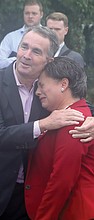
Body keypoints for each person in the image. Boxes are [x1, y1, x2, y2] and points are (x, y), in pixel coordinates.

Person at [0, 26, 86, 220]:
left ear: (48, 60)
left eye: (36, 51)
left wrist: (92, 120)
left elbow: (75, 101)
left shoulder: (48, 88)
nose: (26, 55)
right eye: (23, 47)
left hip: (28, 197)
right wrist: (43, 124)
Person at [25, 57, 94, 219]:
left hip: (73, 212)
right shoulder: (65, 116)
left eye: (41, 85)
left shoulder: (74, 120)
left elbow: (62, 179)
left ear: (63, 84)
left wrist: (43, 217)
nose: (37, 92)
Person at [0, 0, 43, 70]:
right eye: (27, 13)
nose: (30, 16)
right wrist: (18, 59)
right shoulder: (11, 37)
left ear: (41, 14)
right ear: (23, 14)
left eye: (34, 13)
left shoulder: (48, 37)